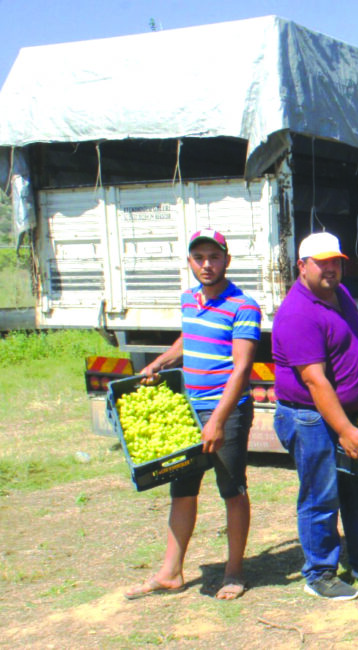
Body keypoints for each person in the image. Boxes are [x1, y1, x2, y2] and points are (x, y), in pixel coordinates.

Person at [272, 231, 358, 601]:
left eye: (336, 261)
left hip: (347, 412)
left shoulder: (340, 294)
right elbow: (315, 382)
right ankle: (319, 573)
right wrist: (346, 430)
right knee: (321, 495)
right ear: (302, 267)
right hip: (311, 418)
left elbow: (357, 342)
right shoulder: (297, 313)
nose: (331, 268)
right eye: (322, 262)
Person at [125, 229, 260, 601]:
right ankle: (171, 572)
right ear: (189, 261)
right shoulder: (189, 300)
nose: (206, 264)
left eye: (213, 257)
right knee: (181, 488)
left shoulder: (243, 305)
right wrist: (159, 362)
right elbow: (188, 338)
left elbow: (242, 367)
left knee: (232, 489)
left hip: (225, 410)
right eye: (199, 257)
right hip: (189, 407)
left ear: (226, 261)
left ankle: (234, 572)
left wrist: (217, 418)